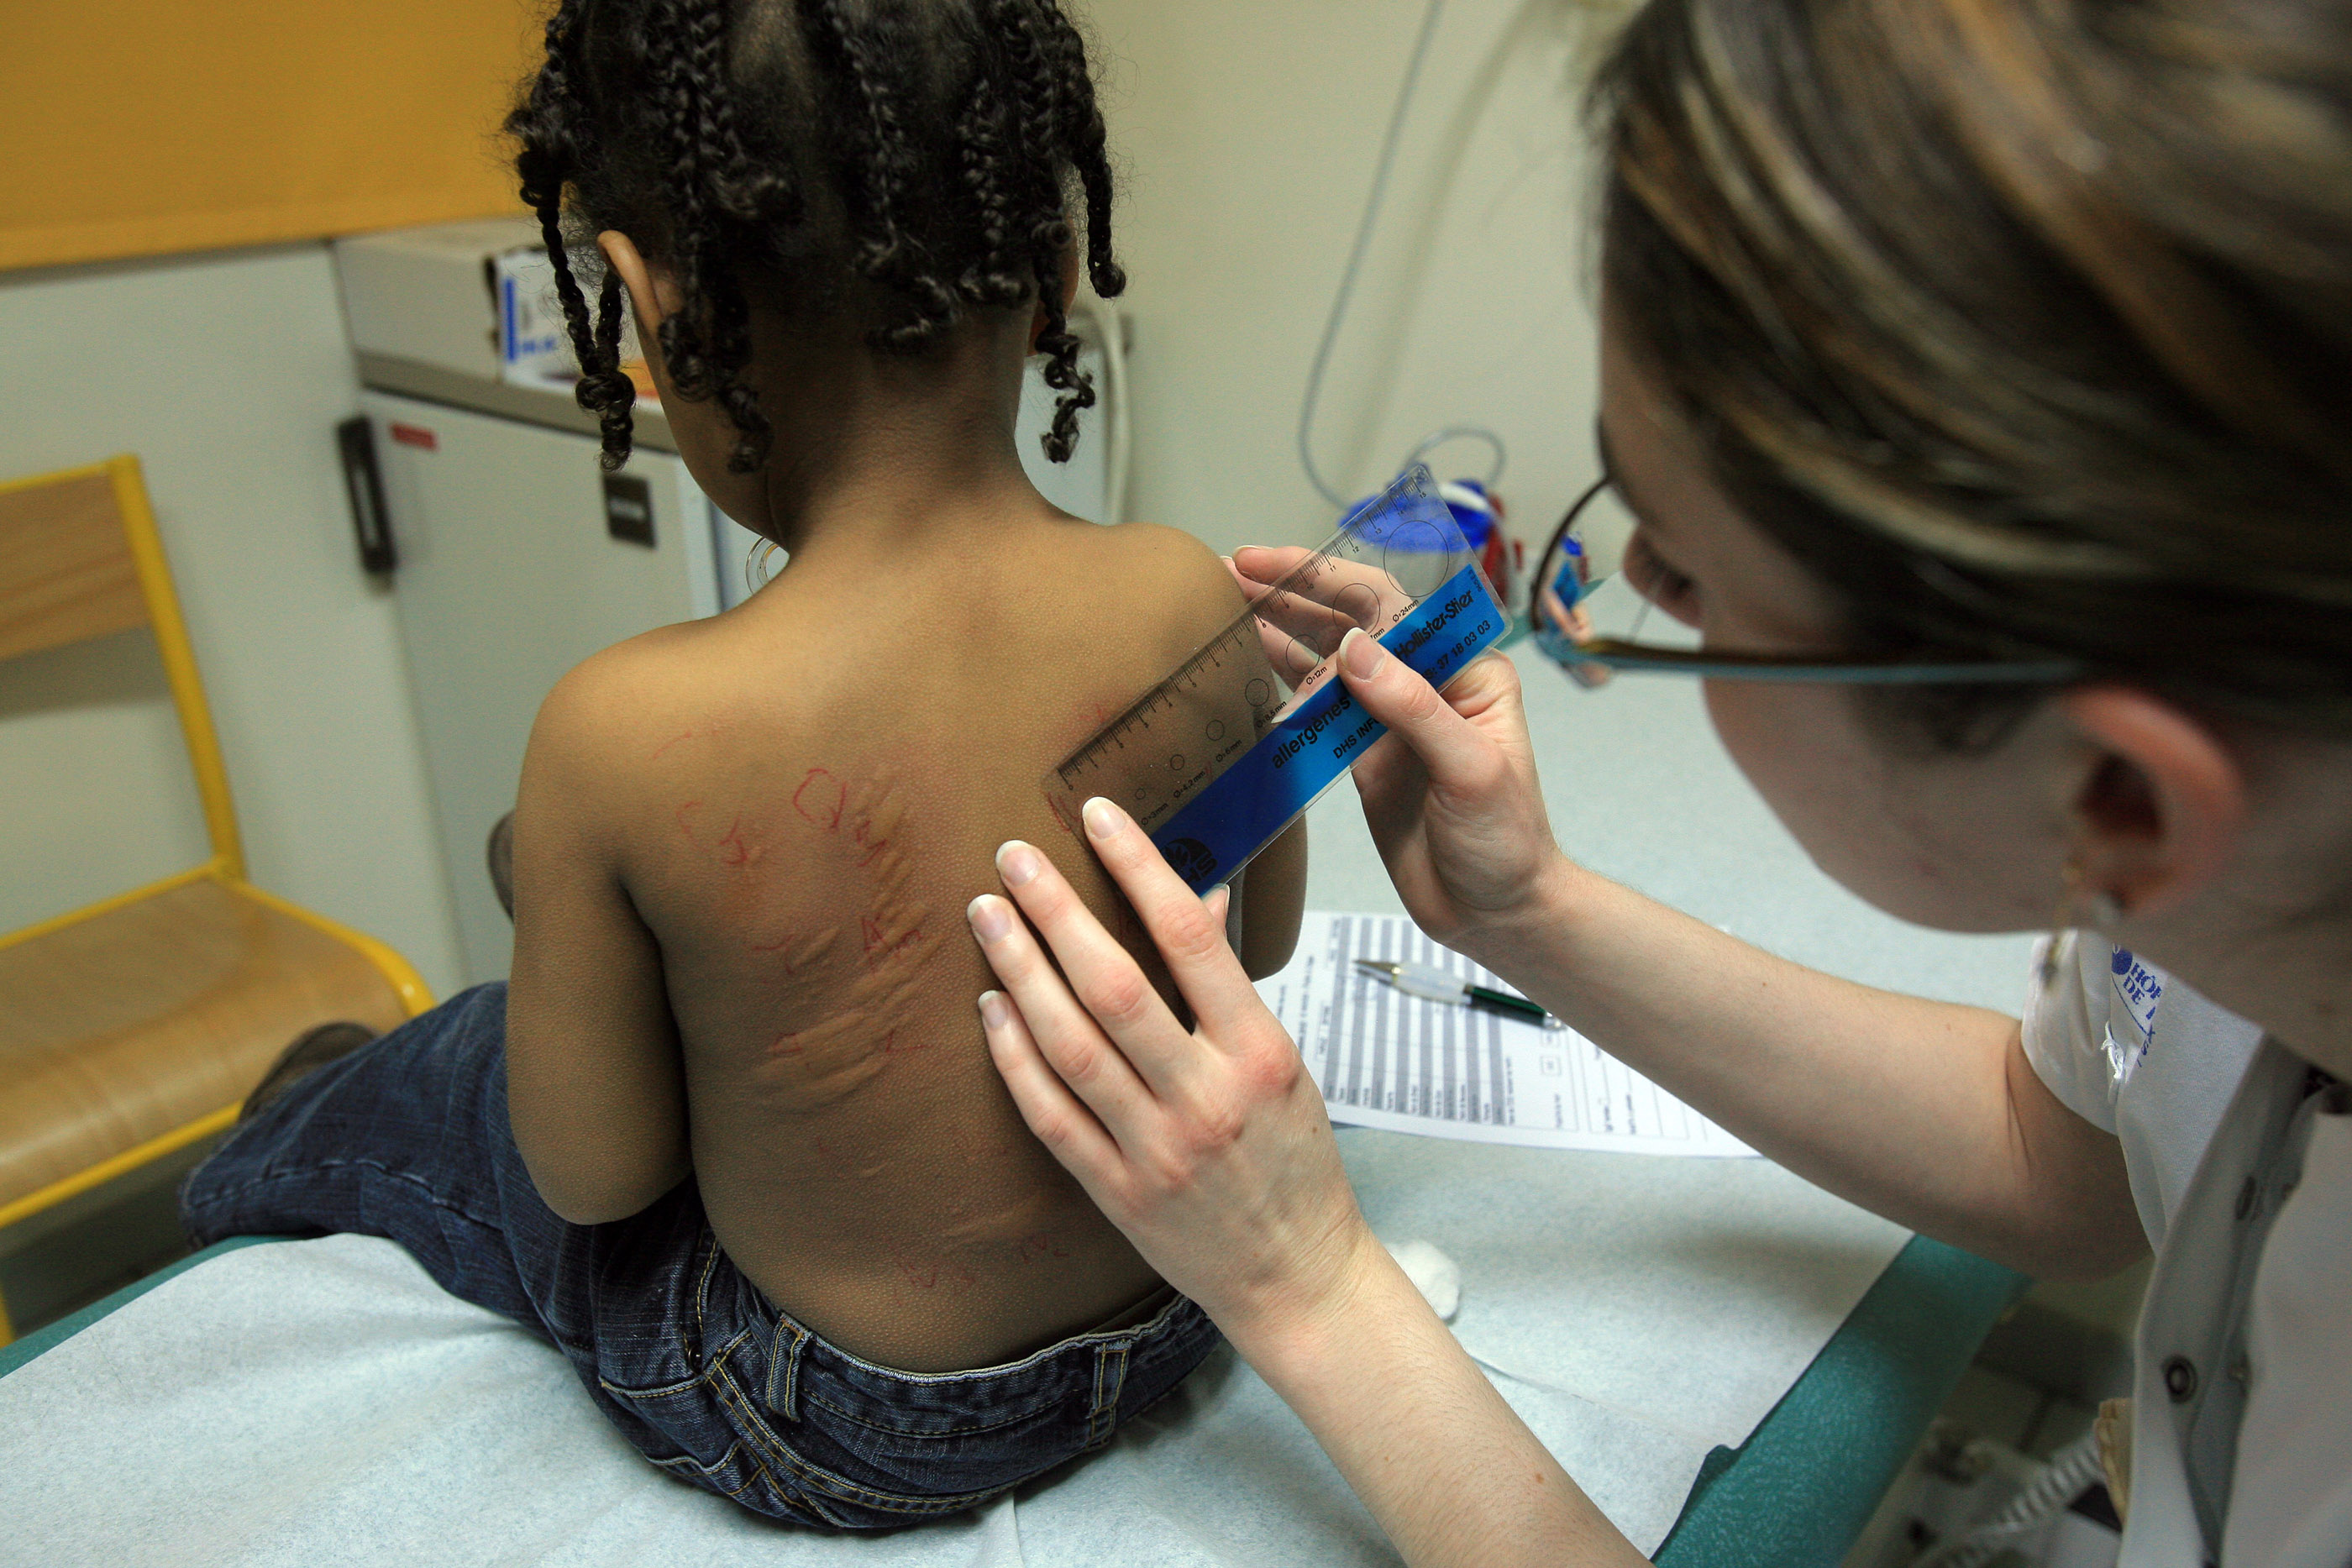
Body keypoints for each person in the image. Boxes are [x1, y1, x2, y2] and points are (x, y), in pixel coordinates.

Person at [962, 0, 2352, 1562]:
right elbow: (2066, 1155)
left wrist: (1312, 1285)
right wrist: (1529, 912)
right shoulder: (2261, 840)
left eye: (1686, 579)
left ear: (2124, 804)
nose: (1627, 589)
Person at [181, 0, 1307, 1531]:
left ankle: (258, 1154)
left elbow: (595, 1179)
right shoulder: (1186, 595)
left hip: (854, 1420)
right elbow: (1264, 939)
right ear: (1055, 267)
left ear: (655, 310)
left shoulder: (622, 731)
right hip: (1182, 1294)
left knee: (457, 1063)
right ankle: (571, 937)